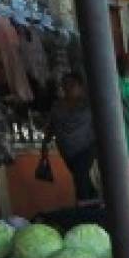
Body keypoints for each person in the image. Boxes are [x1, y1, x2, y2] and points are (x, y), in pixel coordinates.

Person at [44, 72, 98, 202]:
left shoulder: (88, 104)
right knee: (81, 178)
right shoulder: (57, 106)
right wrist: (44, 145)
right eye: (64, 85)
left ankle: (84, 209)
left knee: (80, 178)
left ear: (80, 87)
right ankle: (94, 203)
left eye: (72, 85)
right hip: (67, 151)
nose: (67, 88)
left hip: (86, 147)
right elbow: (52, 125)